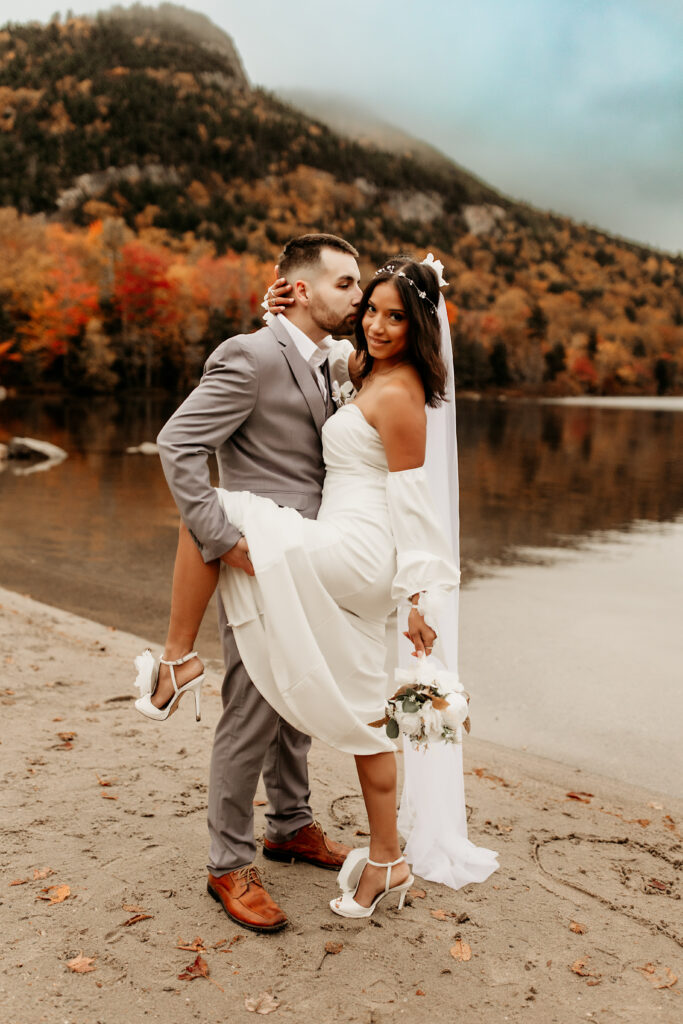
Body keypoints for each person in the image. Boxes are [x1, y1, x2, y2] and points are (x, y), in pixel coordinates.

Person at [137, 241, 488, 925]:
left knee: (302, 699)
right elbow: (179, 444)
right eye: (351, 288)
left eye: (380, 303)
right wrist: (223, 537)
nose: (365, 309)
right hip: (290, 552)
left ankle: (290, 822)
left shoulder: (364, 373)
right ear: (298, 290)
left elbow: (409, 492)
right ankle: (230, 862)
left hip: (336, 552)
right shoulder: (271, 356)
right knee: (260, 703)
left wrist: (419, 594)